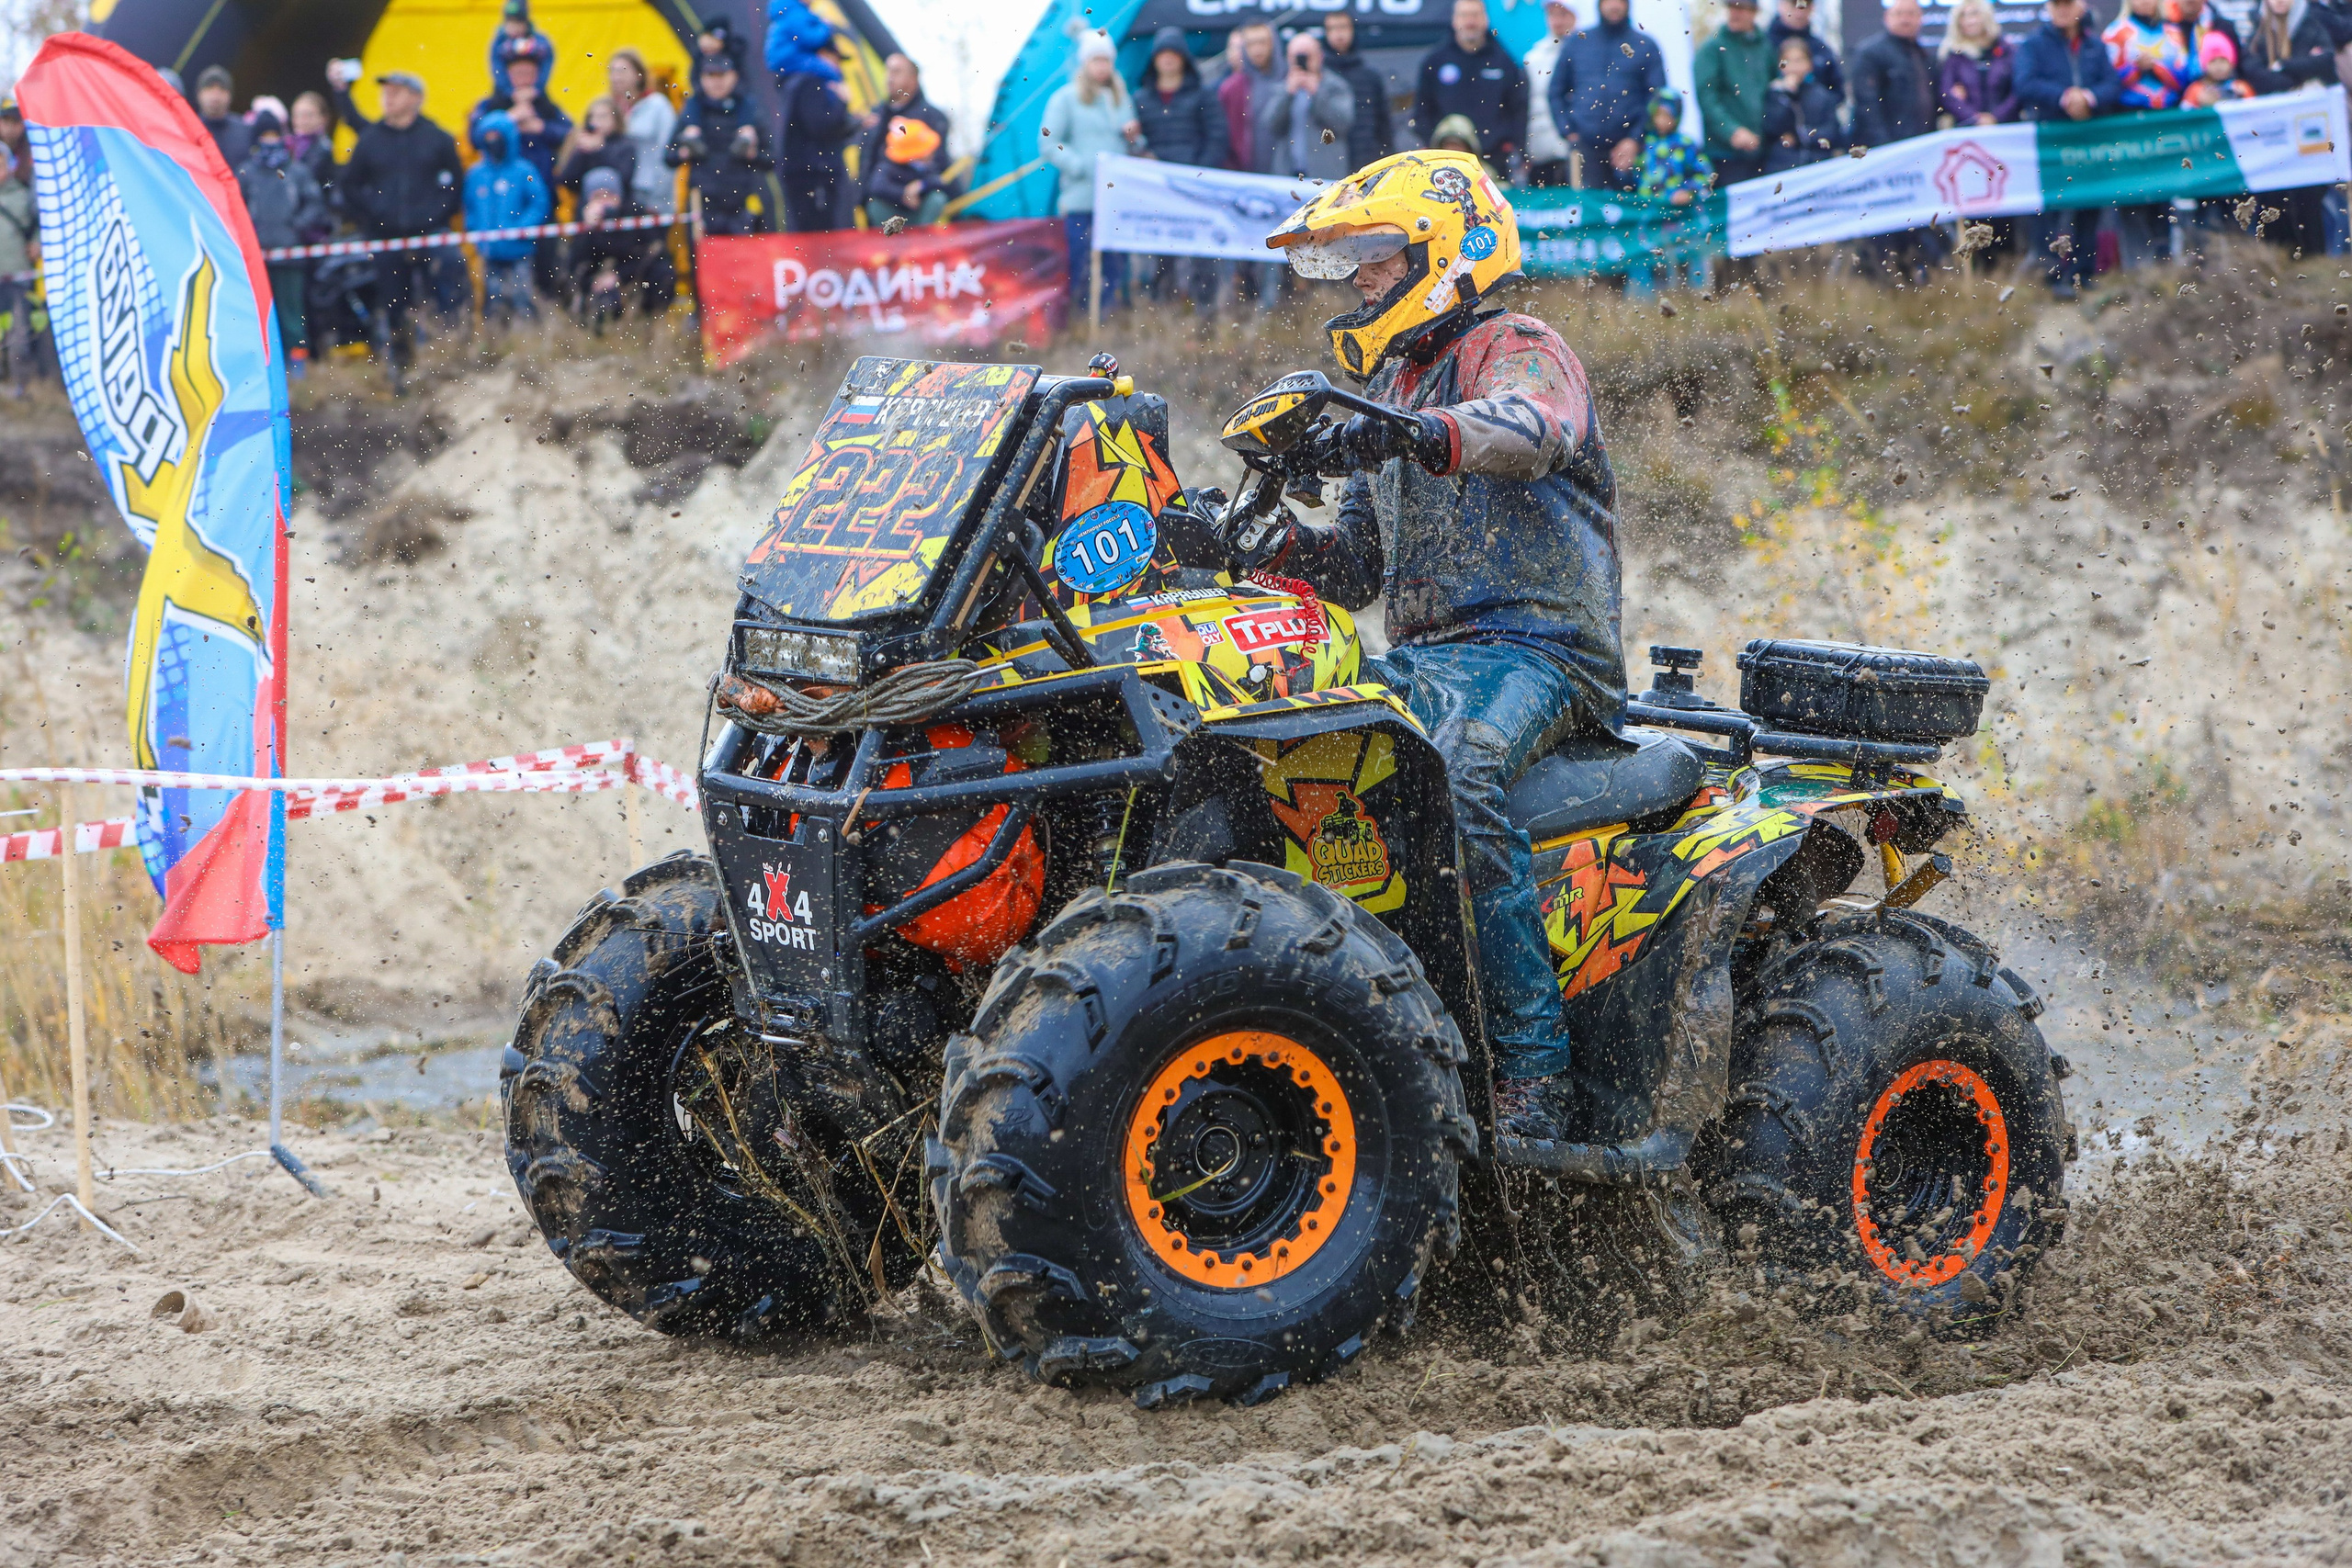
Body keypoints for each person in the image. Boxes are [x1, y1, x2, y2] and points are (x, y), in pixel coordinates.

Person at [1254, 150, 1625, 1145]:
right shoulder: (1398, 378)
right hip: (1432, 659)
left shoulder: (1517, 343)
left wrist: (1405, 432)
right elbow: (1352, 572)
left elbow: (1533, 428)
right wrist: (1254, 541)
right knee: (1284, 732)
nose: (1361, 279)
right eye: (1353, 262)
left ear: (1443, 250)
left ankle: (1530, 1071)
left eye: (1375, 257)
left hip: (1541, 650)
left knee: (1453, 765)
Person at [334, 69, 463, 390]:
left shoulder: (438, 138)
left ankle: (449, 368)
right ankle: (402, 375)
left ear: (416, 98)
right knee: (395, 306)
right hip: (386, 239)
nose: (388, 96)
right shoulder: (370, 141)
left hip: (429, 235)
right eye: (386, 91)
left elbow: (456, 185)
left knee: (441, 301)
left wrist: (435, 215)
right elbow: (349, 186)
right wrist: (373, 218)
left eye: (397, 91)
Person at [2016, 0, 2120, 295]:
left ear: (2081, 7)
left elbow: (2112, 84)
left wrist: (2087, 97)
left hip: (2087, 139)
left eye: (2068, 3)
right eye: (2056, 4)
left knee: (2088, 204)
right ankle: (2050, 274)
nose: (2062, 10)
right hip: (2050, 139)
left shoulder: (2094, 45)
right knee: (2049, 207)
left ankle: (2082, 273)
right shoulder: (2033, 44)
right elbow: (2025, 84)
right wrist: (2063, 98)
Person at [1043, 31, 1144, 316]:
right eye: (1096, 60)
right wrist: (1082, 166)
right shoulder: (1065, 99)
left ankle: (1109, 317)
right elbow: (1049, 142)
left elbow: (1133, 142)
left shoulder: (1120, 98)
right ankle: (1078, 317)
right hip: (1081, 197)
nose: (1102, 66)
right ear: (1085, 62)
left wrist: (1134, 138)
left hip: (1114, 197)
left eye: (1107, 60)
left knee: (1114, 261)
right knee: (1081, 259)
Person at [1133, 28, 1227, 311]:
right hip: (1157, 189)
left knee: (1200, 249)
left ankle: (1205, 311)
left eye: (1174, 54)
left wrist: (1199, 173)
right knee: (1161, 250)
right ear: (1155, 60)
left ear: (1183, 58)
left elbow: (1218, 137)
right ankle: (1162, 309)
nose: (1168, 60)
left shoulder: (1203, 95)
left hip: (1194, 187)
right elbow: (1136, 141)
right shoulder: (1141, 98)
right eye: (1163, 54)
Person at [2240, 0, 2341, 257]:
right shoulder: (2258, 26)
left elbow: (2326, 61)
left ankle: (2315, 259)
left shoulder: (2313, 22)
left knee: (2310, 197)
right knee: (2273, 197)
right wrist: (2291, 78)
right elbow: (2251, 68)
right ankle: (2277, 260)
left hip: (2308, 130)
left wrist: (2285, 67)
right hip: (2271, 132)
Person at [235, 110, 330, 374]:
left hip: (290, 254)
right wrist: (247, 234)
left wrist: (295, 227)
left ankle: (298, 367)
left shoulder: (296, 171)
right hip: (255, 257)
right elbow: (232, 209)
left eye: (274, 135)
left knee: (292, 315)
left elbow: (314, 204)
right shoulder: (245, 172)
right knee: (258, 316)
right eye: (264, 135)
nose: (269, 140)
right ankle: (262, 369)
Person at [2105, 0, 2193, 266]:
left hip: (2165, 121)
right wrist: (2135, 69)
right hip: (2129, 122)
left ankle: (2166, 263)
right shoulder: (2115, 32)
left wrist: (2155, 67)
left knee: (2165, 191)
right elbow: (2107, 81)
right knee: (2133, 194)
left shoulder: (2173, 32)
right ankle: (2138, 265)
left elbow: (2185, 77)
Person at [1550, 0, 1668, 191]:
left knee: (1633, 215)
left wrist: (1635, 140)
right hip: (1586, 149)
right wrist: (1568, 131)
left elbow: (1658, 99)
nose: (1614, 5)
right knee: (1588, 216)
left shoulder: (1645, 45)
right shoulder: (1577, 42)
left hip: (1633, 152)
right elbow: (1555, 91)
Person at [669, 53, 776, 235]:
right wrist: (685, 149)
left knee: (743, 259)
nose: (716, 82)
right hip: (702, 205)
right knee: (704, 261)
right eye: (711, 76)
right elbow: (668, 157)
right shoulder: (693, 111)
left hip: (741, 204)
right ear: (701, 78)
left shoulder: (748, 110)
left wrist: (752, 153)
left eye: (722, 75)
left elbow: (771, 160)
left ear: (734, 76)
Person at [1415, 0, 1530, 166]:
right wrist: (1434, 144)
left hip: (1493, 160)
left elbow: (1518, 108)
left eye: (1475, 15)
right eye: (1464, 15)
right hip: (1445, 159)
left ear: (1485, 19)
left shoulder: (1504, 62)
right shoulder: (1435, 61)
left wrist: (1513, 145)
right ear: (1454, 20)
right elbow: (1422, 110)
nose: (1470, 22)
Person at [465, 109, 548, 328]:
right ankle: (495, 349)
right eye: (488, 137)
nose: (493, 142)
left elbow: (539, 202)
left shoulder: (524, 170)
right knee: (493, 303)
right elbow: (470, 208)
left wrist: (521, 229)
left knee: (523, 298)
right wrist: (475, 232)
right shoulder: (476, 174)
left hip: (519, 251)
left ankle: (528, 346)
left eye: (497, 137)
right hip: (489, 251)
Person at [853, 52, 956, 226]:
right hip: (881, 200)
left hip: (921, 203)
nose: (889, 78)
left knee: (936, 201)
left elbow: (939, 166)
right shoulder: (875, 117)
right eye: (888, 71)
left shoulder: (932, 117)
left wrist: (920, 187)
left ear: (913, 78)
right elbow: (867, 164)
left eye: (896, 72)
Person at [569, 164, 674, 326]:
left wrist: (618, 275)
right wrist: (588, 230)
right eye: (598, 196)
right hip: (600, 278)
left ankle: (652, 321)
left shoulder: (635, 213)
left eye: (608, 195)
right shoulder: (583, 220)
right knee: (603, 304)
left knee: (663, 273)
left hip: (633, 273)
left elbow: (653, 251)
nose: (605, 202)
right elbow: (576, 263)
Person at [1635, 88, 1713, 291]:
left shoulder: (1686, 144)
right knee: (1650, 259)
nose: (1663, 121)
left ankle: (1697, 295)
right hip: (1651, 216)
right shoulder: (1644, 145)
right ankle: (1647, 302)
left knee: (1688, 256)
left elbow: (1704, 174)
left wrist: (1689, 191)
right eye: (1658, 115)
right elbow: (1633, 176)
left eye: (1668, 116)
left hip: (1681, 216)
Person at [1695, 0, 1776, 186]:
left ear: (1754, 12)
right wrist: (1732, 131)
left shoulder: (1764, 46)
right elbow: (1706, 97)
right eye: (1732, 7)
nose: (1735, 13)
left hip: (1762, 149)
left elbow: (1774, 89)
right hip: (1724, 153)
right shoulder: (1713, 48)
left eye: (1741, 8)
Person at [776, 42, 855, 230]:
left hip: (809, 171)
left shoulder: (800, 80)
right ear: (822, 54)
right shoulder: (812, 82)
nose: (838, 66)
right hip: (813, 174)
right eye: (836, 59)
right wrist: (842, 103)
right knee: (818, 235)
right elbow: (821, 126)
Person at [1261, 34, 1356, 183]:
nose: (1302, 61)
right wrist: (1288, 94)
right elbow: (1270, 124)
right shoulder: (1282, 88)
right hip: (1288, 175)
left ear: (1320, 56)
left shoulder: (1335, 86)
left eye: (1307, 56)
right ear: (1288, 59)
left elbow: (1343, 122)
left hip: (1325, 175)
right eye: (1297, 57)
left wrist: (1317, 93)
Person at [1854, 0, 1941, 145]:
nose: (1905, 19)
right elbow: (1867, 105)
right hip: (1888, 147)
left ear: (1921, 18)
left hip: (1921, 143)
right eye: (1899, 14)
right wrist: (1883, 145)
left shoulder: (1924, 56)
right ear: (1886, 17)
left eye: (1911, 14)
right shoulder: (1871, 53)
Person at [1320, 12, 1396, 173]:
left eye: (1343, 27)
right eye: (1333, 28)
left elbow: (1384, 125)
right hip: (1327, 165)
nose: (1339, 34)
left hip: (1365, 162)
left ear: (1353, 30)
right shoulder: (1319, 76)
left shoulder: (1370, 76)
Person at [608, 50, 678, 216]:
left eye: (622, 71)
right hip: (620, 196)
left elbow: (668, 150)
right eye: (612, 71)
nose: (616, 77)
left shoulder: (658, 106)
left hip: (651, 193)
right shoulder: (609, 109)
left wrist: (660, 197)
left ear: (639, 75)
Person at [1763, 35, 1843, 173]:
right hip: (1783, 166)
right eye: (1788, 61)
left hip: (1817, 164)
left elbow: (1832, 131)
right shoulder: (1774, 93)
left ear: (1809, 64)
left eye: (1799, 60)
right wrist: (1787, 94)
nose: (1793, 66)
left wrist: (1801, 136)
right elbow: (1772, 127)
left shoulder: (1822, 95)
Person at [1521, 0, 1580, 187]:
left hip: (1577, 148)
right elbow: (1527, 104)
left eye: (1563, 14)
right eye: (1553, 15)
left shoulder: (1586, 52)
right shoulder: (1533, 58)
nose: (1557, 21)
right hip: (1542, 150)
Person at [862, 114, 951, 227]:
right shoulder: (888, 166)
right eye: (926, 149)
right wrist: (903, 193)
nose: (931, 151)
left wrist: (920, 185)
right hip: (895, 216)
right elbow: (876, 186)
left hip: (920, 215)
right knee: (874, 205)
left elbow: (940, 182)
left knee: (937, 198)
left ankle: (923, 234)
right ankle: (890, 238)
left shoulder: (928, 166)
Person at [1939, 0, 2018, 126]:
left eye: (1974, 14)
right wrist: (1974, 118)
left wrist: (1996, 117)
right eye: (1963, 16)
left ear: (1986, 16)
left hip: (2006, 127)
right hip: (1967, 129)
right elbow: (1947, 95)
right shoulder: (1954, 56)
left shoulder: (2007, 51)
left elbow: (2018, 90)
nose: (1969, 20)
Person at [0, 141, 37, 398]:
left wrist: (38, 243)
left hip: (18, 278)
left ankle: (19, 386)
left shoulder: (23, 197)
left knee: (19, 334)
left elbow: (39, 225)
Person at [557, 97, 640, 207]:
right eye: (593, 117)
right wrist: (581, 152)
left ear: (616, 119)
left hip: (621, 208)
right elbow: (567, 180)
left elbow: (624, 177)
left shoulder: (626, 145)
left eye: (603, 116)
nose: (596, 122)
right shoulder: (584, 145)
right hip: (586, 207)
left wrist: (600, 150)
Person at [1770, 0, 1846, 98]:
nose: (1800, 12)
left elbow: (1837, 90)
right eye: (1794, 4)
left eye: (1805, 5)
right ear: (1781, 5)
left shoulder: (1821, 49)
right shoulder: (1764, 46)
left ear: (1812, 8)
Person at [764, 0, 843, 84]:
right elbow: (812, 40)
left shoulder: (791, 11)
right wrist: (825, 26)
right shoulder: (795, 13)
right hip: (789, 56)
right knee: (828, 70)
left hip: (787, 56)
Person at [487, 0, 555, 96]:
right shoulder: (500, 42)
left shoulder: (539, 42)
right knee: (484, 109)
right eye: (510, 22)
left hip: (534, 93)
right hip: (504, 93)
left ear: (525, 23)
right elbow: (497, 68)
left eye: (518, 22)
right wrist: (510, 91)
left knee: (552, 110)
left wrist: (536, 89)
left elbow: (546, 64)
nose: (514, 27)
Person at [194, 65, 254, 168]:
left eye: (222, 89)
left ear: (230, 95)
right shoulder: (189, 130)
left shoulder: (244, 131)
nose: (215, 96)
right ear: (199, 94)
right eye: (209, 88)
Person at [2182, 28, 2254, 100]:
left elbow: (2254, 107)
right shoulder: (2196, 91)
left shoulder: (2240, 87)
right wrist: (2200, 104)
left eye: (2223, 61)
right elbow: (2185, 109)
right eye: (2213, 61)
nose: (2219, 67)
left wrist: (2243, 98)